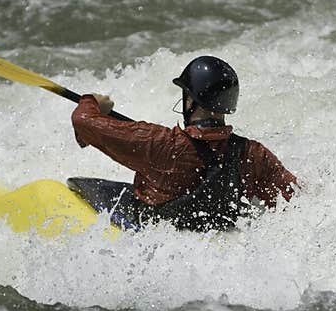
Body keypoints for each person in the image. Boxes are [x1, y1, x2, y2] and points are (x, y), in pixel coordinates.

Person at [70, 55, 297, 232]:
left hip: (157, 230)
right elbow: (294, 198)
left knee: (77, 184)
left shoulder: (162, 143)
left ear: (190, 101)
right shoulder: (253, 154)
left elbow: (83, 121)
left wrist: (93, 101)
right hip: (216, 231)